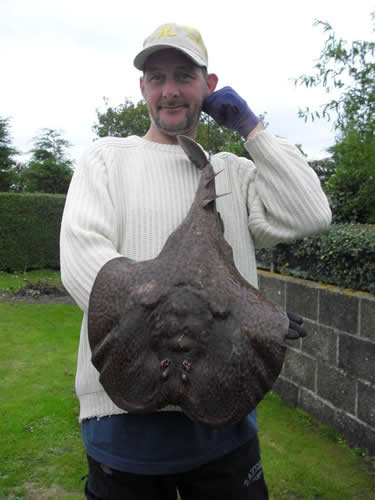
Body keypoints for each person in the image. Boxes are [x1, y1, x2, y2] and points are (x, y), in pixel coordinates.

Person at [60, 23, 331, 500]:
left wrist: (253, 130)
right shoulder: (105, 160)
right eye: (157, 77)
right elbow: (82, 258)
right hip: (123, 411)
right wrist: (197, 319)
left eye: (184, 76)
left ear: (208, 87)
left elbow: (310, 214)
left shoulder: (233, 172)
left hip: (226, 403)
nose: (169, 91)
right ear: (143, 87)